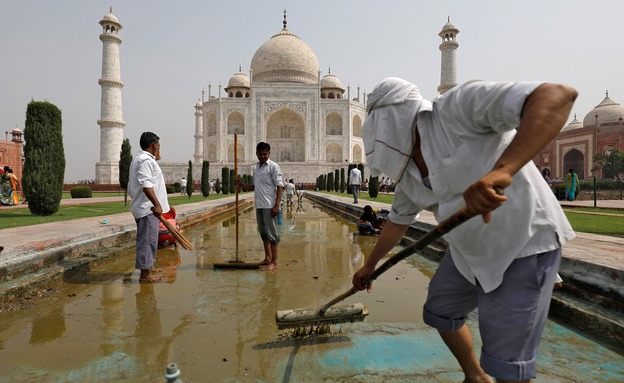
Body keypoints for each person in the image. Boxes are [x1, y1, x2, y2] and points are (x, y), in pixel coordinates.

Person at [352, 77, 577, 383]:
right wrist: (370, 264)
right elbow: (397, 221)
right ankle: (475, 376)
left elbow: (557, 95)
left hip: (521, 243)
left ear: (392, 115)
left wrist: (503, 170)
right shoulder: (407, 168)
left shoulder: (457, 108)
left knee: (507, 365)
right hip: (466, 253)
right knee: (439, 312)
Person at [128, 132, 171, 282]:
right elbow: (146, 185)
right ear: (154, 145)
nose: (159, 148)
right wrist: (157, 205)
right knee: (146, 241)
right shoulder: (145, 161)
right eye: (158, 145)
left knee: (151, 239)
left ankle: (149, 267)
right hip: (148, 208)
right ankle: (145, 275)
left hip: (147, 207)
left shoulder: (141, 159)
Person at [253, 142, 284, 271]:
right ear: (257, 154)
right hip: (259, 205)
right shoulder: (256, 167)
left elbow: (280, 186)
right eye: (260, 154)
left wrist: (276, 205)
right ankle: (267, 258)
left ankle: (275, 262)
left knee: (272, 235)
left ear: (269, 153)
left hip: (269, 205)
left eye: (265, 154)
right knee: (263, 233)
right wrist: (242, 184)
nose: (263, 156)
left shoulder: (273, 167)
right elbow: (256, 186)